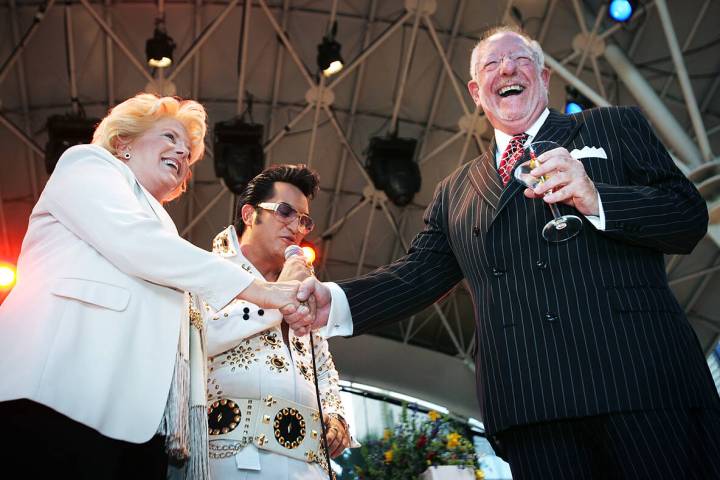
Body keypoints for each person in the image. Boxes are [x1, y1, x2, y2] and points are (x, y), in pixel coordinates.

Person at [286, 26, 720, 479]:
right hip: (532, 406)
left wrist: (597, 198)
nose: (507, 68)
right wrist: (332, 301)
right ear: (477, 92)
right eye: (491, 65)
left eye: (520, 60)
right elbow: (415, 276)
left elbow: (687, 217)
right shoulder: (454, 192)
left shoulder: (611, 126)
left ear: (545, 79)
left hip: (643, 385)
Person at [0, 93, 313, 479]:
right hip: (54, 397)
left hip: (137, 427)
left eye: (188, 153)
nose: (182, 154)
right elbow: (136, 242)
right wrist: (263, 290)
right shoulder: (88, 165)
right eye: (169, 138)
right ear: (123, 142)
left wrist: (280, 304)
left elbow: (193, 335)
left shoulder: (164, 231)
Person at [196, 164, 355, 479]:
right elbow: (202, 335)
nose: (296, 226)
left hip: (310, 467)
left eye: (304, 220)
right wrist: (278, 298)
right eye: (285, 212)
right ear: (248, 215)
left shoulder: (303, 286)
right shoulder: (207, 271)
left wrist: (336, 416)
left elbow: (323, 366)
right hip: (232, 458)